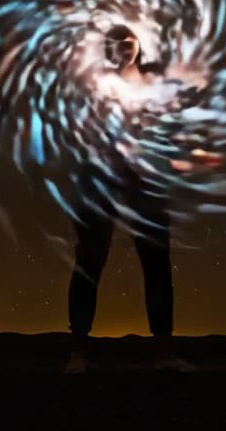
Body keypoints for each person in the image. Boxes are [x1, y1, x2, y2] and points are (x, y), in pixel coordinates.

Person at [62, 26, 195, 373]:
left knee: (156, 265)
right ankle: (78, 352)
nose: (123, 47)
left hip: (146, 186)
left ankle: (164, 352)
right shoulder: (95, 86)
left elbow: (169, 129)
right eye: (115, 43)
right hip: (100, 183)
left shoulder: (155, 85)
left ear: (138, 44)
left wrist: (175, 157)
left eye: (128, 41)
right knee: (89, 264)